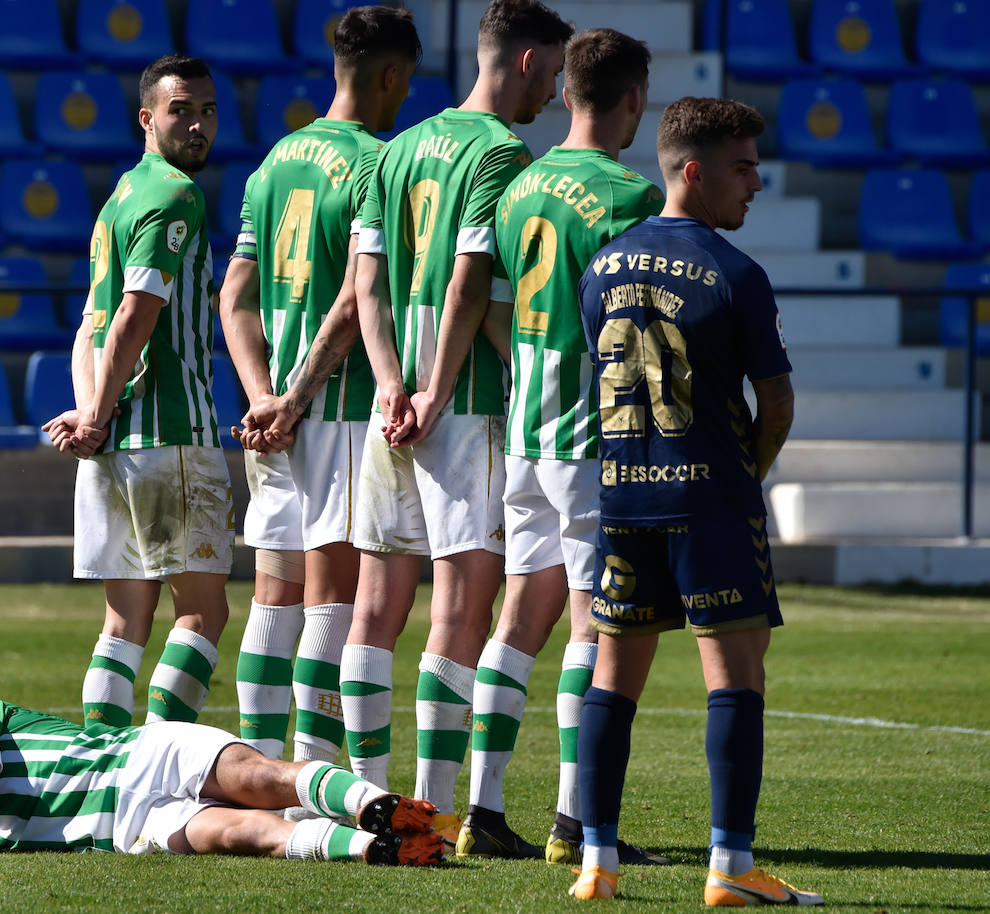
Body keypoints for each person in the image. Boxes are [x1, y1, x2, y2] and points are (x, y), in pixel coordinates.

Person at [569, 97, 819, 905]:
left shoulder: (601, 264)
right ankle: (730, 869)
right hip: (710, 498)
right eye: (742, 168)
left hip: (623, 500)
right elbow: (776, 403)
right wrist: (751, 472)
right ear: (693, 171)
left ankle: (596, 864)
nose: (755, 183)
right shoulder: (737, 273)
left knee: (613, 678)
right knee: (737, 678)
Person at [343, 0, 573, 843]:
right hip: (462, 406)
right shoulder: (502, 152)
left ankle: (368, 805)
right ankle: (436, 811)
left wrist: (392, 384)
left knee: (374, 607)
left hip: (386, 404)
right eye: (550, 74)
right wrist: (436, 393)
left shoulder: (397, 148)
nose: (552, 94)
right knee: (460, 613)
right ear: (521, 63)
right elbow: (472, 283)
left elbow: (367, 284)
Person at [458, 28, 670, 865]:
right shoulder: (628, 197)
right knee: (593, 626)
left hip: (526, 430)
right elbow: (644, 333)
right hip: (593, 440)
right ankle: (576, 824)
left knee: (516, 620)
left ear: (569, 90)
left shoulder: (518, 187)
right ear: (632, 100)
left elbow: (495, 305)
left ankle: (481, 808)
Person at [217, 6, 421, 771]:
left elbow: (232, 295)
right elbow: (353, 297)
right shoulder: (379, 162)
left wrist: (261, 396)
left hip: (272, 420)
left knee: (274, 599)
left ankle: (257, 772)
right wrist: (297, 398)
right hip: (332, 411)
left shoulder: (274, 162)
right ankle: (313, 779)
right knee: (331, 601)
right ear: (393, 76)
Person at [43, 55, 229, 728]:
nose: (198, 125)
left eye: (208, 110)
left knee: (124, 622)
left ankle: (105, 770)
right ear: (147, 117)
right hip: (170, 434)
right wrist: (94, 413)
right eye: (182, 111)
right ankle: (158, 767)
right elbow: (133, 313)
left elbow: (87, 324)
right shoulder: (175, 194)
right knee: (204, 613)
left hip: (113, 447)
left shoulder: (117, 200)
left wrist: (90, 415)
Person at [0, 693, 443, 865]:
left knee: (264, 777)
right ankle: (387, 848)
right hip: (130, 828)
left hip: (144, 755)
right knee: (249, 836)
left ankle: (384, 806)